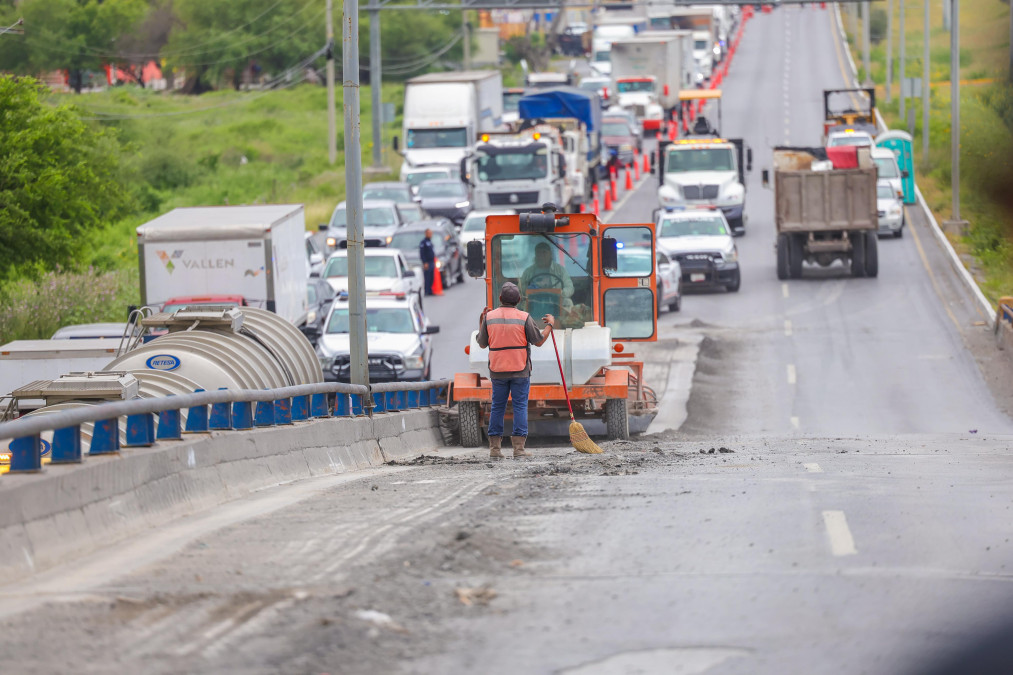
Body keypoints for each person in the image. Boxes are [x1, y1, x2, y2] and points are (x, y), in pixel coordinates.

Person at [477, 282, 554, 459]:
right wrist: (550, 325)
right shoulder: (524, 317)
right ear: (519, 300)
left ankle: (495, 450)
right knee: (520, 407)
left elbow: (482, 344)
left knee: (497, 407)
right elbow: (539, 341)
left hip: (497, 370)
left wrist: (481, 321)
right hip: (520, 370)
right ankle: (519, 450)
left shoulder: (489, 317)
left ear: (500, 299)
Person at [519, 241, 574, 316]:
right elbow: (521, 289)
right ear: (535, 255)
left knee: (568, 302)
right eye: (538, 253)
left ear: (550, 254)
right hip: (534, 301)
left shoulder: (560, 270)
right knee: (522, 305)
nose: (541, 256)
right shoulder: (528, 272)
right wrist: (529, 291)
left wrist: (560, 293)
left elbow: (570, 287)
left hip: (556, 301)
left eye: (544, 252)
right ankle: (526, 324)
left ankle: (566, 324)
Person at [419, 229, 435, 295]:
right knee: (427, 277)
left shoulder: (430, 242)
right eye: (429, 233)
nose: (431, 235)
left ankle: (430, 290)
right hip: (427, 262)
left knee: (432, 277)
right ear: (426, 233)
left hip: (432, 261)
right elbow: (422, 253)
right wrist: (424, 262)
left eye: (431, 233)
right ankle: (426, 290)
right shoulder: (423, 242)